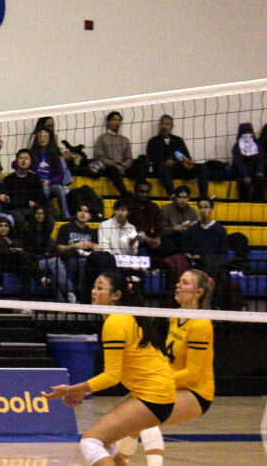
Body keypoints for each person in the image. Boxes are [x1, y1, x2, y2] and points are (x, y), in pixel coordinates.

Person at [43, 271, 175, 466]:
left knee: (91, 442)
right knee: (104, 443)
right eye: (94, 287)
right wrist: (80, 391)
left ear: (116, 295)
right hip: (156, 393)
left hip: (153, 396)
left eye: (100, 288)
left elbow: (111, 377)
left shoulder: (115, 322)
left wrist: (72, 389)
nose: (94, 292)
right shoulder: (126, 317)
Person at [118, 269, 215, 466]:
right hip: (171, 386)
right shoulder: (175, 316)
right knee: (123, 417)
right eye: (179, 281)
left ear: (199, 292)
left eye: (185, 283)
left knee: (146, 412)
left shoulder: (200, 325)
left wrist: (159, 379)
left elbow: (192, 374)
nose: (178, 285)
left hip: (196, 392)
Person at [146, 114, 208, 199]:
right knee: (163, 168)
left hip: (179, 169)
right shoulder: (153, 141)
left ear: (171, 127)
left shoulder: (178, 140)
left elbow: (186, 156)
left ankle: (204, 196)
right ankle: (173, 195)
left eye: (167, 124)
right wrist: (165, 163)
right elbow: (151, 159)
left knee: (202, 167)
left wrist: (187, 163)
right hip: (163, 171)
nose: (164, 127)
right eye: (162, 124)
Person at [21, 206, 75, 303]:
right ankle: (69, 291)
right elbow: (28, 253)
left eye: (42, 213)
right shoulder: (27, 232)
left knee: (54, 272)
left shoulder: (47, 231)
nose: (40, 216)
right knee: (55, 262)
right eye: (38, 213)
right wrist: (47, 257)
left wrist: (51, 256)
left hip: (47, 262)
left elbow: (52, 249)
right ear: (34, 215)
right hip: (34, 263)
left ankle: (62, 304)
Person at [55, 204, 105, 303]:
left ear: (90, 216)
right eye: (80, 211)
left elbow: (97, 248)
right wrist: (74, 246)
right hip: (68, 260)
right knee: (84, 263)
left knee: (91, 263)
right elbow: (59, 248)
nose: (83, 213)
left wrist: (94, 247)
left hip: (87, 260)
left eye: (86, 211)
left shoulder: (91, 232)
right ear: (76, 213)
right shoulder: (65, 228)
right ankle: (81, 297)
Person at [183, 198, 229, 277]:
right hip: (195, 267)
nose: (203, 210)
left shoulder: (220, 230)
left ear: (211, 209)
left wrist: (203, 258)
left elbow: (222, 254)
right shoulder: (192, 229)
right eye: (200, 207)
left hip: (213, 268)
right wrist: (191, 257)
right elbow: (186, 250)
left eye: (206, 207)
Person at [3, 149, 47, 231]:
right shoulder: (9, 179)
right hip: (14, 210)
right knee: (19, 219)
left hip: (31, 209)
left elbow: (41, 197)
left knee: (47, 218)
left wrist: (37, 206)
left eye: (26, 158)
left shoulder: (35, 178)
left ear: (30, 162)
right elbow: (8, 201)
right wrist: (27, 203)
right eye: (21, 158)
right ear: (16, 161)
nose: (23, 161)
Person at [31, 127, 69, 220]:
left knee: (60, 189)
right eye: (40, 136)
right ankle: (44, 215)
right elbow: (15, 164)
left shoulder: (54, 155)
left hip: (50, 183)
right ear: (37, 139)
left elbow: (60, 174)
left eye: (45, 136)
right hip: (37, 184)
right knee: (44, 188)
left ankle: (65, 216)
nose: (42, 139)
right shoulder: (32, 154)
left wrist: (50, 181)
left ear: (49, 139)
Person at [93, 111, 134, 197]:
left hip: (123, 167)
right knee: (112, 169)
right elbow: (99, 157)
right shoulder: (102, 138)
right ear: (108, 122)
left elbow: (129, 157)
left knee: (140, 168)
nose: (117, 123)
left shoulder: (125, 140)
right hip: (109, 168)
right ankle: (125, 194)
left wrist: (124, 165)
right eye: (114, 120)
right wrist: (115, 165)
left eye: (119, 120)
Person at [231, 122, 264, 201]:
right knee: (243, 185)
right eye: (245, 132)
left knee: (260, 183)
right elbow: (239, 163)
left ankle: (259, 203)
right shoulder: (236, 147)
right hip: (241, 173)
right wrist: (245, 175)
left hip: (255, 173)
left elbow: (261, 160)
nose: (247, 134)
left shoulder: (257, 145)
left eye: (249, 132)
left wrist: (259, 171)